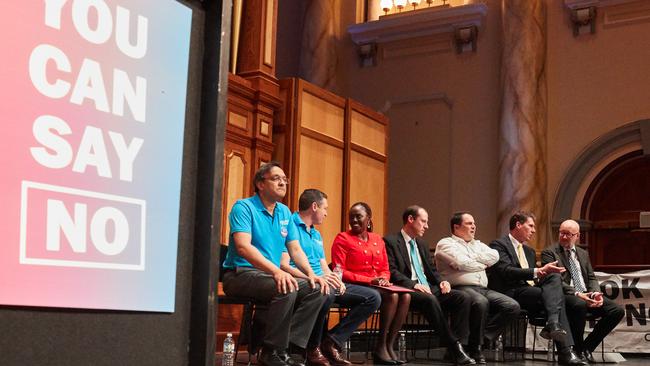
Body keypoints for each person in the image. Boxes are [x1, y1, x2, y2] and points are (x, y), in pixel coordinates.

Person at [222, 162, 328, 366]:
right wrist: (276, 272)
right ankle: (270, 351)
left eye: (285, 179)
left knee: (318, 289)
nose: (283, 182)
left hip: (268, 275)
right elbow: (243, 247)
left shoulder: (285, 212)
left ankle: (288, 349)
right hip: (240, 273)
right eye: (276, 178)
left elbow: (295, 249)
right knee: (287, 287)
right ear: (260, 184)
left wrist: (310, 275)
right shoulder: (244, 207)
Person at [280, 189, 381, 366]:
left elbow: (323, 265)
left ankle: (332, 340)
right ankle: (312, 347)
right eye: (325, 208)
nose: (326, 213)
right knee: (325, 292)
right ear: (314, 207)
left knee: (373, 297)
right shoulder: (290, 225)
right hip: (303, 280)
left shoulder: (316, 234)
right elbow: (285, 265)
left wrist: (335, 278)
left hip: (322, 280)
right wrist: (318, 278)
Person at [488, 212, 586, 366]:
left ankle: (554, 325)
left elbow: (534, 279)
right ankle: (565, 351)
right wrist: (537, 271)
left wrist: (543, 273)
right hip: (510, 292)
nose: (534, 230)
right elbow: (506, 271)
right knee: (557, 299)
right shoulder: (499, 245)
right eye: (531, 226)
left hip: (530, 292)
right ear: (519, 225)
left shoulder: (529, 251)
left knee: (554, 277)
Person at [384, 206, 475, 365]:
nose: (427, 226)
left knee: (463, 297)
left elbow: (432, 270)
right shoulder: (391, 241)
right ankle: (455, 347)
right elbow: (392, 271)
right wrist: (413, 284)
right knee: (430, 300)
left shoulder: (422, 244)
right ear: (411, 220)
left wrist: (442, 281)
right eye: (423, 221)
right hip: (407, 290)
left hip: (428, 288)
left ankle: (455, 348)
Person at [435, 212, 520, 364]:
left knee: (511, 306)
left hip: (482, 288)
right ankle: (475, 348)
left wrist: (469, 260)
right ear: (456, 227)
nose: (473, 226)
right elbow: (462, 263)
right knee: (480, 302)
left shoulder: (478, 244)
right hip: (460, 288)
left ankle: (481, 339)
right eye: (469, 223)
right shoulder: (446, 243)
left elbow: (494, 256)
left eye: (474, 223)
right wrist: (481, 263)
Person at [331, 202, 411, 365]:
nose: (354, 220)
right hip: (354, 285)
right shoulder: (343, 238)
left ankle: (389, 345)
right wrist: (370, 280)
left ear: (368, 219)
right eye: (351, 217)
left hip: (377, 284)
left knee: (406, 296)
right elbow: (340, 272)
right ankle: (380, 346)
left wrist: (383, 278)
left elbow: (385, 268)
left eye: (358, 216)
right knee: (393, 297)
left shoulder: (377, 239)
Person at [541, 219, 624, 362]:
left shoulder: (583, 253)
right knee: (579, 304)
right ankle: (576, 349)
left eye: (568, 234)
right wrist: (579, 294)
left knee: (616, 311)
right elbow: (555, 281)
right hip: (566, 294)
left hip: (586, 293)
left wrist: (595, 293)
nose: (564, 237)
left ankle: (586, 348)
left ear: (577, 236)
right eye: (562, 233)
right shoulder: (550, 253)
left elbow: (591, 277)